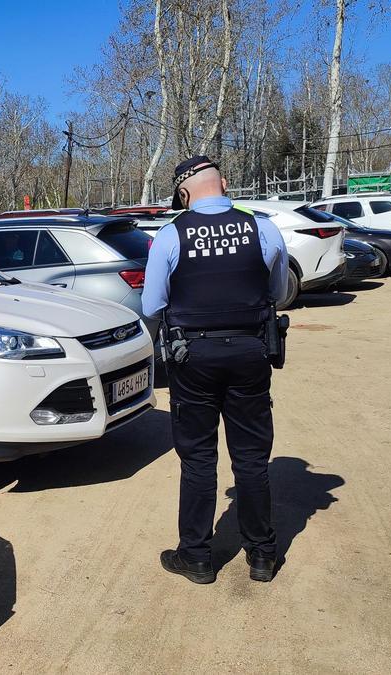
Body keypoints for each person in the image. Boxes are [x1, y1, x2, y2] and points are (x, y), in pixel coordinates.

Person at [141, 156, 289, 584]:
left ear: (183, 195)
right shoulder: (262, 227)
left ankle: (197, 557)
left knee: (199, 459)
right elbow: (276, 291)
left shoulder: (171, 235)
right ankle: (262, 555)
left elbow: (152, 305)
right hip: (250, 352)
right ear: (223, 184)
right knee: (252, 458)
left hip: (194, 359)